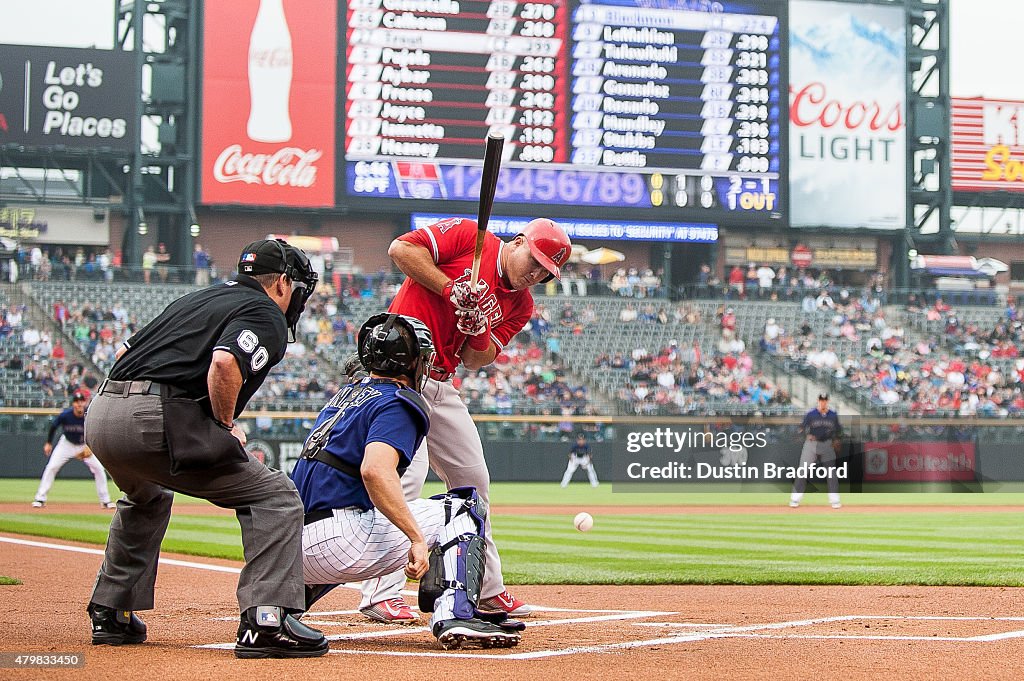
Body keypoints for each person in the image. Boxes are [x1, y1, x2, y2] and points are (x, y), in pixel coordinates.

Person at [83, 239, 328, 659]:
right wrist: (224, 426)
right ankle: (264, 621)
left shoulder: (198, 297)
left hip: (102, 411)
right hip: (153, 417)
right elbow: (224, 363)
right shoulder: (265, 311)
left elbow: (125, 350)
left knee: (147, 496)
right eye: (299, 288)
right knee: (276, 496)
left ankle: (111, 612)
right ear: (284, 283)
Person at [358, 216, 570, 623]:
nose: (537, 273)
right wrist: (450, 288)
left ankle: (488, 590)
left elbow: (476, 359)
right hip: (401, 374)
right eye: (536, 260)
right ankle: (380, 594)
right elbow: (401, 249)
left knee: (475, 483)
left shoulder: (522, 304)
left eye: (547, 271)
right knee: (407, 477)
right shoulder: (472, 239)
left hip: (442, 382)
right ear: (519, 241)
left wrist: (477, 327)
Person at [292, 314, 523, 649]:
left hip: (292, 550)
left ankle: (287, 604)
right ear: (411, 362)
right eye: (423, 357)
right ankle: (455, 614)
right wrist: (416, 538)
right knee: (465, 506)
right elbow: (375, 470)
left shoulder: (344, 396)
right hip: (338, 544)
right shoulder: (397, 402)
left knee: (359, 508)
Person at [32, 391, 115, 509]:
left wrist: (90, 447)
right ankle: (40, 498)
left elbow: (97, 431)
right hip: (66, 444)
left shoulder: (89, 415)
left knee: (99, 469)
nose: (79, 404)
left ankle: (105, 501)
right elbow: (54, 426)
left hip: (84, 445)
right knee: (52, 467)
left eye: (81, 401)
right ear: (73, 404)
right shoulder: (66, 415)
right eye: (77, 402)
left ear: (85, 402)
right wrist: (49, 443)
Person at [789, 393, 843, 509]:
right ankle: (795, 498)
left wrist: (836, 440)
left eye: (825, 400)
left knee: (831, 473)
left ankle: (834, 500)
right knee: (802, 471)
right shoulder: (811, 414)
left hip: (827, 444)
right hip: (812, 444)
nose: (823, 402)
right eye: (821, 400)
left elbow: (838, 430)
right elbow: (801, 428)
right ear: (818, 401)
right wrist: (806, 435)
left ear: (827, 401)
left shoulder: (833, 415)